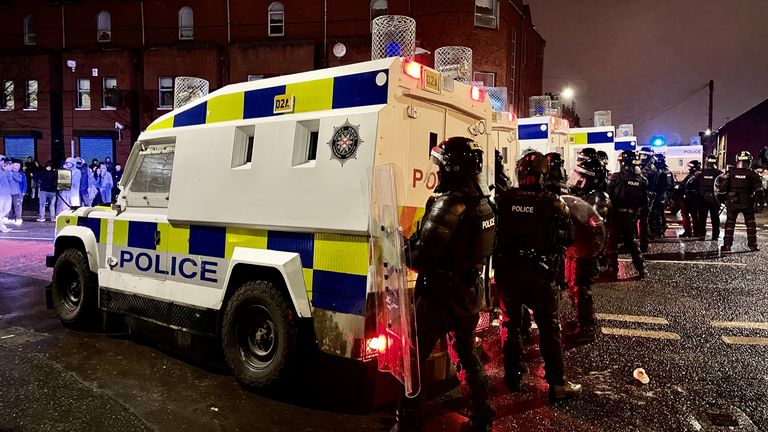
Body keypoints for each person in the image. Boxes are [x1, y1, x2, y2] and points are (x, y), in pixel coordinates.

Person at [395, 137, 496, 432]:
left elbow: (420, 256)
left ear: (452, 169)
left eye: (440, 165)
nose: (437, 172)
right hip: (468, 293)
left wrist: (398, 245)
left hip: (438, 295)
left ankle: (408, 421)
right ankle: (482, 416)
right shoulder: (485, 204)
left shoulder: (450, 204)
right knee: (466, 354)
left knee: (412, 359)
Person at [495, 150, 582, 400]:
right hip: (540, 277)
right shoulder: (552, 202)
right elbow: (570, 236)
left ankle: (512, 377)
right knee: (548, 329)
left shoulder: (505, 199)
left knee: (509, 326)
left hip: (509, 275)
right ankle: (557, 383)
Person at [565, 150, 611, 343]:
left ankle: (587, 328)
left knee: (582, 288)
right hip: (579, 249)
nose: (577, 181)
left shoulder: (598, 198)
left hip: (587, 251)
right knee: (574, 286)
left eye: (582, 177)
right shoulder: (586, 194)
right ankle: (580, 320)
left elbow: (593, 225)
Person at [605, 150, 648, 278]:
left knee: (612, 243)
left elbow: (608, 195)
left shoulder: (617, 177)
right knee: (632, 243)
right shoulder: (642, 180)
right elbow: (644, 201)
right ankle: (642, 269)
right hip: (630, 216)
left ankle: (613, 270)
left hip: (617, 215)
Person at [717, 151, 765, 252]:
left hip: (732, 202)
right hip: (747, 202)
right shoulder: (753, 174)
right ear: (749, 161)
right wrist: (761, 203)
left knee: (730, 224)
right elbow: (759, 190)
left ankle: (727, 246)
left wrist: (722, 200)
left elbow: (722, 189)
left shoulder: (730, 173)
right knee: (750, 224)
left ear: (737, 160)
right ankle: (753, 245)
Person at [689, 155, 724, 240]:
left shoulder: (701, 173)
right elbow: (723, 186)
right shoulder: (719, 173)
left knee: (702, 217)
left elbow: (692, 184)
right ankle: (715, 235)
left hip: (703, 198)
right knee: (714, 217)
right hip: (713, 198)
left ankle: (702, 234)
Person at [637, 147, 657, 252]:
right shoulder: (645, 166)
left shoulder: (650, 168)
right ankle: (642, 241)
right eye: (641, 155)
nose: (642, 157)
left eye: (645, 155)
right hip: (643, 195)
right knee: (642, 220)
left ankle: (643, 244)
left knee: (643, 221)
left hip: (646, 195)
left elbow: (641, 179)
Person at [650, 153, 674, 238]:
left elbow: (655, 184)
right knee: (661, 213)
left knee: (656, 214)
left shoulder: (659, 171)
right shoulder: (668, 171)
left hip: (659, 195)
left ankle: (658, 231)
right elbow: (672, 185)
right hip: (665, 196)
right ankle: (662, 228)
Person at [678, 160, 702, 238]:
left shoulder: (698, 176)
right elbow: (683, 184)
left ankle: (695, 231)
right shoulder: (691, 175)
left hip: (693, 199)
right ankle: (689, 231)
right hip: (688, 198)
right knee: (686, 215)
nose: (689, 169)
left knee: (694, 216)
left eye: (691, 167)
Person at [6, 159, 26, 225]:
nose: (18, 166)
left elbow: (20, 180)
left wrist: (23, 192)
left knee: (17, 206)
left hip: (16, 192)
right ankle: (8, 218)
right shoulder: (7, 172)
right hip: (8, 192)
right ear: (12, 165)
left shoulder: (20, 173)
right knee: (8, 206)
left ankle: (18, 218)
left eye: (19, 165)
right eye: (16, 165)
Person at [0, 157, 13, 233]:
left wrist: (8, 170)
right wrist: (4, 170)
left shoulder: (8, 171)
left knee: (7, 209)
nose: (6, 164)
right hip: (0, 194)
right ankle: (2, 227)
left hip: (8, 193)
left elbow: (10, 179)